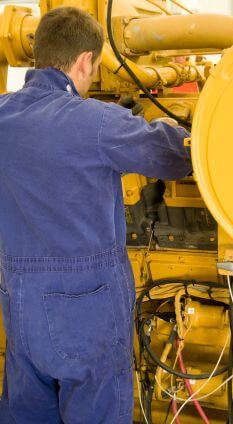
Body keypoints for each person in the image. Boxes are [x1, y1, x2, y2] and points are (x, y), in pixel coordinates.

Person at [0, 6, 192, 424]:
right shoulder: (98, 121)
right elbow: (176, 157)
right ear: (86, 60)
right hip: (86, 306)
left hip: (18, 302)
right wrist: (183, 129)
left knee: (25, 411)